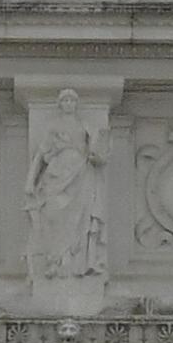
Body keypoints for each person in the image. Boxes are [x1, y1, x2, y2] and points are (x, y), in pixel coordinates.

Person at [26, 88, 108, 280]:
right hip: (56, 175)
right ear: (60, 104)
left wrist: (96, 151)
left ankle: (70, 261)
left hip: (80, 175)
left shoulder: (85, 126)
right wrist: (30, 180)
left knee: (78, 220)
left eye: (72, 100)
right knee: (53, 216)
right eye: (66, 100)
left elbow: (98, 155)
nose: (69, 104)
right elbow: (40, 155)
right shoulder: (53, 127)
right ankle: (53, 260)